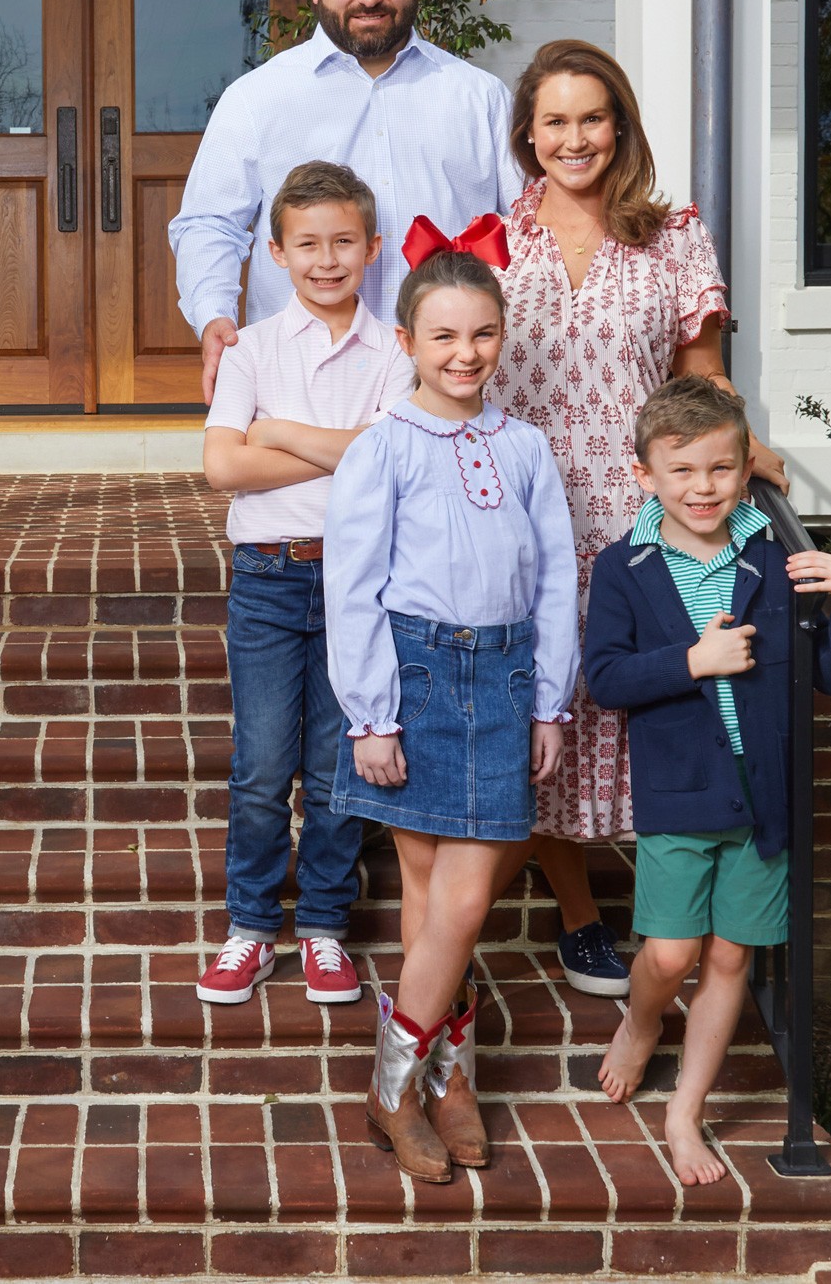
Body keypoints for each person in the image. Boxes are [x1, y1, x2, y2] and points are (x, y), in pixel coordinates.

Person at [490, 38, 788, 1000]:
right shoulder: (492, 238)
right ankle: (580, 918)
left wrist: (743, 447)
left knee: (659, 714)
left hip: (640, 524)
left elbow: (700, 377)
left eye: (591, 118)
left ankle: (676, 918)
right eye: (554, 122)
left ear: (618, 126)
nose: (573, 139)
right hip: (526, 519)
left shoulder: (673, 235)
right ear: (527, 135)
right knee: (546, 722)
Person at [324, 228, 579, 1183]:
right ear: (407, 344)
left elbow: (554, 579)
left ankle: (404, 1083)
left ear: (502, 336)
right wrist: (372, 715)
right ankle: (437, 1082)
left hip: (506, 677)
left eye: (481, 334)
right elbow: (352, 588)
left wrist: (550, 701)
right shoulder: (383, 450)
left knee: (460, 903)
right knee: (435, 899)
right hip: (419, 674)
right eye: (443, 337)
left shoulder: (523, 448)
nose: (464, 354)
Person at [584, 376, 831, 1185]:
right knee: (671, 954)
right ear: (646, 475)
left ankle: (686, 1114)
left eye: (719, 469)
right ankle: (642, 1023)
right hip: (680, 794)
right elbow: (605, 677)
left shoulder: (776, 555)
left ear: (746, 468)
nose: (702, 488)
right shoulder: (625, 567)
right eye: (681, 472)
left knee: (730, 960)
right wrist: (692, 660)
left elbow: (828, 676)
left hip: (766, 803)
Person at [198, 161, 413, 1006]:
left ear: (372, 247)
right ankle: (250, 926)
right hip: (268, 581)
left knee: (334, 766)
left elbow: (388, 462)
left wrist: (278, 434)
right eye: (308, 244)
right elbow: (222, 465)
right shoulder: (249, 349)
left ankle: (323, 926)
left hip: (360, 586)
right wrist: (343, 447)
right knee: (261, 766)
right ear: (276, 254)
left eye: (344, 243)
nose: (327, 260)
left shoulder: (396, 351)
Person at [169, 0, 520, 404]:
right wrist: (214, 316)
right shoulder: (256, 99)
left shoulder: (481, 99)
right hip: (301, 385)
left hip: (449, 387)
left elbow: (530, 230)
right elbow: (209, 225)